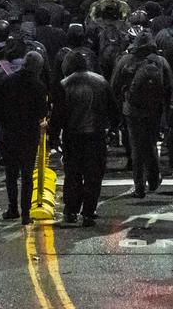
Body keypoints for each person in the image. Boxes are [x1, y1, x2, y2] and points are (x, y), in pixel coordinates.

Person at [50, 50, 119, 226]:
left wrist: (53, 137)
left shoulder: (64, 84)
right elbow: (113, 109)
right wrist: (113, 128)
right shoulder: (101, 81)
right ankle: (88, 212)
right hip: (96, 135)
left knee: (72, 174)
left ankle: (71, 211)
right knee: (93, 175)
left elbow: (57, 115)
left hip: (72, 136)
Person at [111, 33, 173, 198]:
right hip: (154, 109)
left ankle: (139, 185)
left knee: (136, 147)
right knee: (151, 143)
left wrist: (119, 108)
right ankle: (153, 179)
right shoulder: (160, 61)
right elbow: (169, 87)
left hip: (132, 110)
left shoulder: (126, 60)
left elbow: (114, 85)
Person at [0, 50, 48, 224]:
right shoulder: (38, 86)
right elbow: (42, 112)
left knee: (10, 173)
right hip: (29, 135)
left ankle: (12, 208)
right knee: (27, 175)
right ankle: (26, 213)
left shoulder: (6, 81)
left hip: (9, 133)